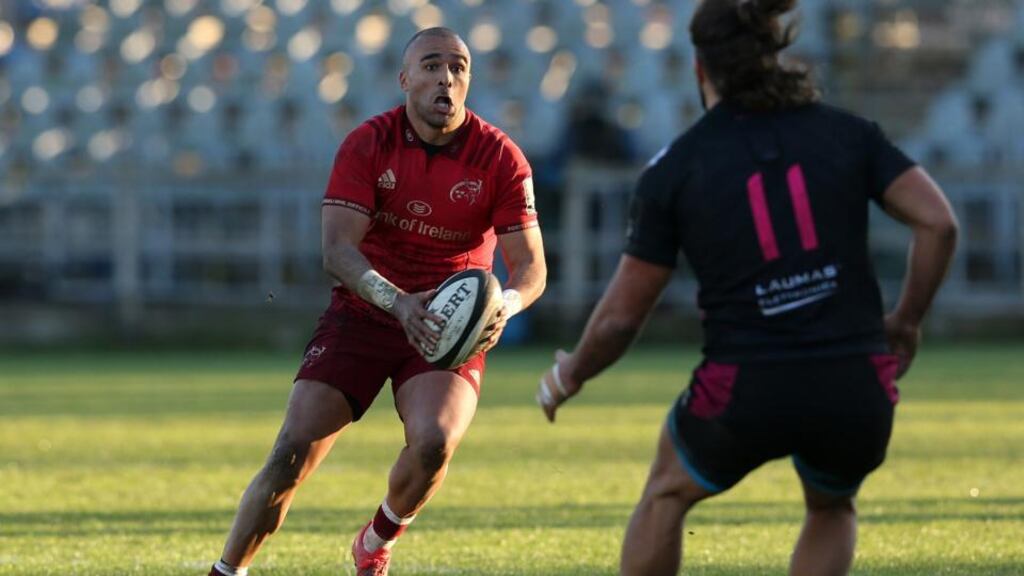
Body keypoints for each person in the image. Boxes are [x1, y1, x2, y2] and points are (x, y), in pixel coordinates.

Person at [536, 1, 957, 575]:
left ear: (700, 70)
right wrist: (906, 320)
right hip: (854, 379)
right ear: (776, 56)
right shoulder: (849, 133)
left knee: (667, 491)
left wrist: (570, 373)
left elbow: (619, 319)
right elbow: (939, 222)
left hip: (746, 386)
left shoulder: (675, 168)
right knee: (832, 504)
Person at [209, 27, 546, 576]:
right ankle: (226, 571)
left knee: (435, 441)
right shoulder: (368, 143)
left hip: (444, 325)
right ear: (405, 78)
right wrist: (397, 302)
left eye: (459, 66)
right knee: (292, 451)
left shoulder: (501, 157)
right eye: (432, 65)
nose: (447, 77)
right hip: (367, 311)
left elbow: (532, 268)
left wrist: (501, 306)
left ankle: (378, 537)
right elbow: (337, 250)